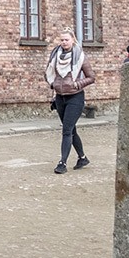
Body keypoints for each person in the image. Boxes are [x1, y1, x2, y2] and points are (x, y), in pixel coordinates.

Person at [44, 31, 95, 173]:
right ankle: (82, 157)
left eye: (66, 39)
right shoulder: (55, 56)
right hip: (60, 97)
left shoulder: (80, 57)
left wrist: (77, 84)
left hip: (75, 97)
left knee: (66, 130)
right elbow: (48, 73)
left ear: (73, 40)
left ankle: (62, 163)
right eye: (62, 40)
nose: (64, 42)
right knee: (71, 129)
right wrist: (52, 84)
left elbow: (91, 77)